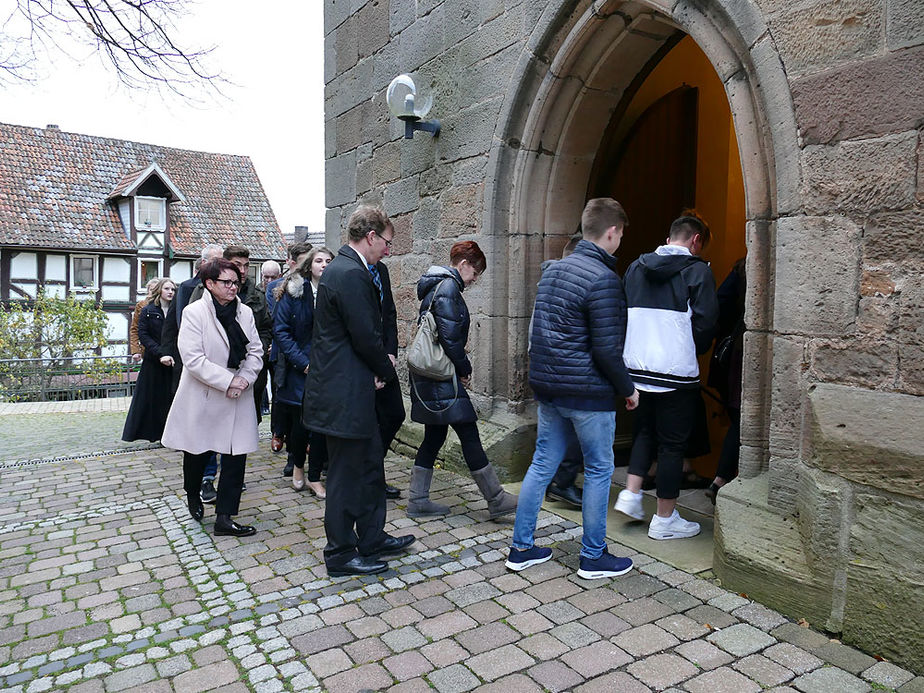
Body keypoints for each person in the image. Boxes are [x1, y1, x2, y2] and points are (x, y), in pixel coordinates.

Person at [507, 198, 638, 580]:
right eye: (620, 235)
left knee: (542, 462)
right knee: (599, 468)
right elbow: (607, 349)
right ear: (612, 232)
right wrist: (628, 389)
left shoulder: (552, 271)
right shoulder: (604, 279)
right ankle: (593, 556)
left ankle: (521, 547)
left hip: (550, 388)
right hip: (587, 393)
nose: (619, 242)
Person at [303, 205, 414, 577]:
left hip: (355, 391)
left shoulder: (350, 269)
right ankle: (339, 554)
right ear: (370, 237)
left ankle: (371, 537)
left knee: (368, 468)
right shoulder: (349, 273)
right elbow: (365, 336)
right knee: (347, 476)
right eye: (386, 241)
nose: (388, 249)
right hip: (344, 395)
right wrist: (385, 369)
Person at [615, 212, 719, 540]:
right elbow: (705, 325)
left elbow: (621, 311)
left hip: (637, 367)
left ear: (669, 235)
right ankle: (665, 519)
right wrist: (690, 349)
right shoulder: (697, 272)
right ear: (696, 240)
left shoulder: (635, 267)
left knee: (645, 430)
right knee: (673, 446)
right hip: (676, 373)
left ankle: (631, 495)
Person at [407, 241, 518, 520]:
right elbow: (450, 337)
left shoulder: (438, 286)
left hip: (432, 375)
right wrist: (464, 368)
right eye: (475, 271)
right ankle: (496, 498)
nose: (476, 278)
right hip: (441, 376)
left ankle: (418, 501)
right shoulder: (449, 287)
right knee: (468, 431)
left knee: (435, 435)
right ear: (463, 264)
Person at [162, 258, 264, 537]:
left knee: (235, 457)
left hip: (237, 395)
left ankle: (225, 517)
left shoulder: (244, 313)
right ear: (209, 283)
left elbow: (256, 350)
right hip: (205, 393)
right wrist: (228, 380)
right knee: (198, 452)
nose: (233, 288)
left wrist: (243, 379)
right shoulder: (195, 313)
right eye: (227, 282)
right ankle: (193, 495)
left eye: (236, 282)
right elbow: (193, 359)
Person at [161, 243, 225, 504]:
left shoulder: (231, 290)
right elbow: (176, 327)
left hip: (223, 370)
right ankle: (198, 485)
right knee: (198, 430)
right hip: (196, 369)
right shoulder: (187, 289)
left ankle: (213, 477)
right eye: (216, 261)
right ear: (202, 265)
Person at [273, 247, 333, 497]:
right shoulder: (295, 291)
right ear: (309, 265)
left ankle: (315, 476)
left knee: (320, 425)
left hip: (328, 367)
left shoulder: (335, 291)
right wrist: (303, 362)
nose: (324, 265)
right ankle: (298, 466)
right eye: (319, 260)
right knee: (300, 425)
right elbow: (282, 330)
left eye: (329, 261)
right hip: (300, 368)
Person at [706, 257, 746, 503]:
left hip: (738, 347)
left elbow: (720, 303)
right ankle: (724, 480)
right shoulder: (744, 266)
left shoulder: (740, 266)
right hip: (745, 347)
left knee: (738, 417)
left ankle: (721, 479)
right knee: (743, 418)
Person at [266, 242, 312, 457]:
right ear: (292, 263)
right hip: (283, 353)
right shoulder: (277, 287)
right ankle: (279, 433)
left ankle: (301, 449)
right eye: (304, 261)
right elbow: (278, 324)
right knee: (282, 398)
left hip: (305, 353)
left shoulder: (314, 287)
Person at [122, 278, 176, 442]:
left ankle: (171, 434)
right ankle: (152, 434)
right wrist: (158, 353)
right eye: (167, 288)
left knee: (171, 398)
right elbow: (141, 333)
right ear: (160, 290)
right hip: (153, 360)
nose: (170, 292)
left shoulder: (177, 311)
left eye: (173, 289)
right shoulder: (147, 310)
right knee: (151, 398)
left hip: (173, 361)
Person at [129, 278, 160, 364]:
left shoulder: (166, 305)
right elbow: (134, 329)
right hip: (146, 349)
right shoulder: (141, 305)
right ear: (148, 291)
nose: (153, 292)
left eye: (156, 289)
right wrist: (135, 350)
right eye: (151, 290)